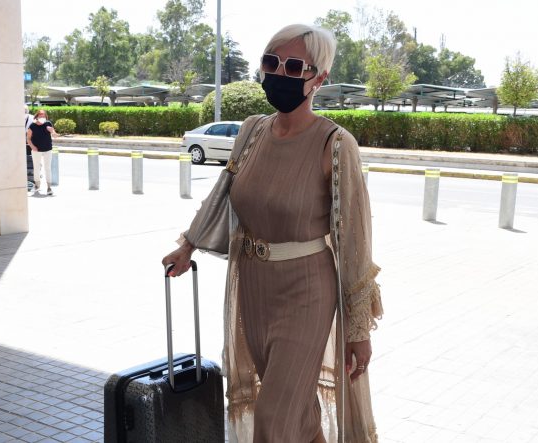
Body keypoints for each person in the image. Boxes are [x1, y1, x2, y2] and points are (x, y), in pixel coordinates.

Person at [162, 24, 382, 443]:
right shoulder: (252, 131)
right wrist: (188, 245)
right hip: (255, 290)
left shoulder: (335, 145)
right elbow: (225, 193)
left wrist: (358, 332)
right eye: (271, 62)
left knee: (273, 422)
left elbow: (354, 240)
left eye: (294, 66)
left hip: (306, 293)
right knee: (297, 420)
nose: (279, 73)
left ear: (320, 78)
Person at [26, 109, 58, 195]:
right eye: (40, 116)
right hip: (36, 150)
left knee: (47, 168)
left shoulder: (48, 124)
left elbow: (55, 136)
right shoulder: (32, 126)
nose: (42, 117)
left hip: (47, 149)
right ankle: (37, 186)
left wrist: (52, 131)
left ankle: (49, 187)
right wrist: (32, 146)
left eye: (44, 116)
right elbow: (28, 138)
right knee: (36, 168)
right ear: (37, 117)